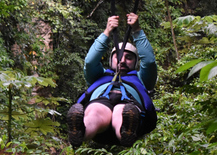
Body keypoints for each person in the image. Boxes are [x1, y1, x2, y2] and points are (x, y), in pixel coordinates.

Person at [67, 13, 157, 147]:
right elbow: (90, 61)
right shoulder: (99, 76)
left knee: (121, 112)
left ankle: (126, 132)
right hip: (101, 102)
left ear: (135, 63)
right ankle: (80, 133)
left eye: (129, 58)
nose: (123, 60)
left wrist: (137, 31)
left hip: (130, 104)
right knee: (95, 111)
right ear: (110, 60)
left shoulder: (141, 78)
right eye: (118, 56)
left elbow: (149, 62)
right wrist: (107, 32)